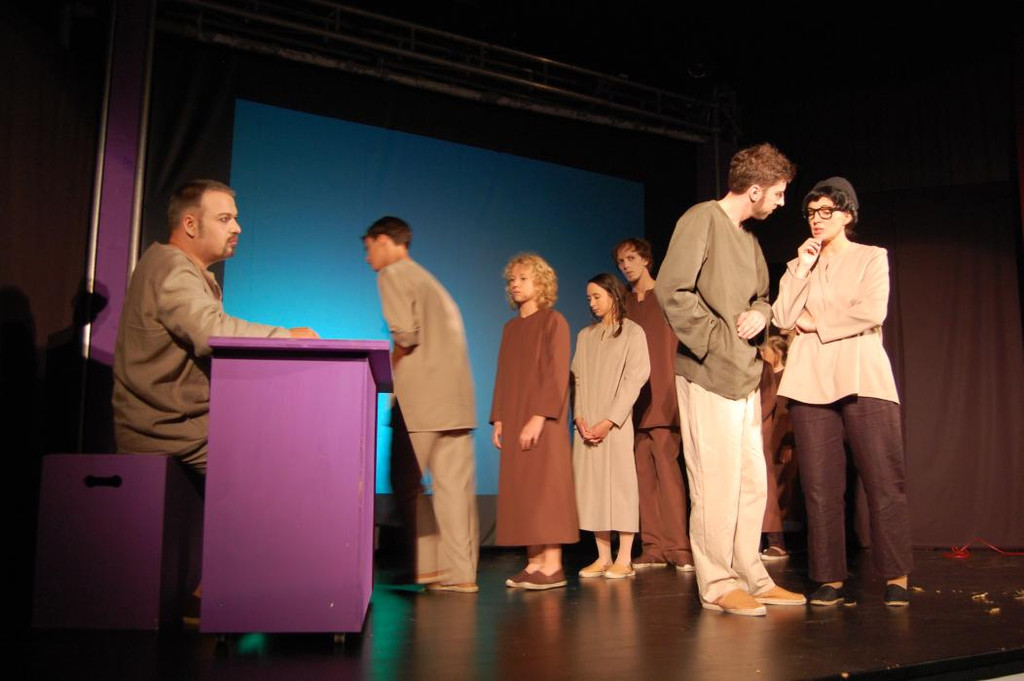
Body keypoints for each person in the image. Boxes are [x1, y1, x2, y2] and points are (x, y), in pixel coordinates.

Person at [653, 143, 806, 616]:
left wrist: (761, 314)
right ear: (755, 189)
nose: (781, 202)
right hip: (708, 372)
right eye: (778, 193)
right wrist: (716, 341)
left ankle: (751, 576)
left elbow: (761, 296)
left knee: (750, 481)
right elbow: (671, 290)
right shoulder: (702, 219)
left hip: (744, 375)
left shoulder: (749, 241)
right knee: (715, 482)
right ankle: (718, 582)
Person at [771, 177, 913, 607]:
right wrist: (800, 268)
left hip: (862, 375)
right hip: (809, 379)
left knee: (883, 479)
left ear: (847, 215)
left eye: (825, 212)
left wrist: (817, 324)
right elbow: (782, 317)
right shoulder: (800, 265)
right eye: (811, 213)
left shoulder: (871, 257)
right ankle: (828, 577)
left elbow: (872, 311)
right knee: (819, 486)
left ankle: (896, 574)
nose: (816, 220)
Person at [113, 179, 317, 474]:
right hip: (170, 435)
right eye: (224, 219)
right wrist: (287, 337)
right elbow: (211, 330)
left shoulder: (174, 265)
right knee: (285, 469)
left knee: (284, 441)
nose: (237, 228)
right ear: (190, 225)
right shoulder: (172, 266)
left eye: (235, 218)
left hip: (184, 429)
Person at [364, 216, 480, 593]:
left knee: (406, 483)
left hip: (421, 402)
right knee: (454, 491)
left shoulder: (393, 274)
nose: (368, 257)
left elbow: (405, 334)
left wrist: (390, 367)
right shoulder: (431, 281)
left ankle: (428, 566)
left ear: (384, 241)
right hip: (456, 402)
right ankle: (460, 574)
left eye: (368, 247)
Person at [491, 253, 578, 590]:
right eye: (512, 279)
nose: (515, 284)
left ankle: (553, 565)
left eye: (523, 278)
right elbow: (503, 375)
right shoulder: (510, 328)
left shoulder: (553, 321)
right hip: (515, 416)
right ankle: (534, 562)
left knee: (545, 488)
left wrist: (539, 417)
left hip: (544, 419)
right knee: (522, 489)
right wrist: (499, 418)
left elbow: (557, 374)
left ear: (541, 283)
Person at [614, 238, 695, 572]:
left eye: (631, 258)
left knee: (668, 473)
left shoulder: (666, 294)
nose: (626, 266)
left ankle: (679, 546)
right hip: (634, 401)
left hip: (663, 395)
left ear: (646, 259)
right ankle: (653, 546)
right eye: (621, 262)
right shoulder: (623, 303)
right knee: (642, 476)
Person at [572, 274, 650, 579]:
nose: (591, 303)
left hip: (615, 423)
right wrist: (580, 418)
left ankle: (624, 557)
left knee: (620, 486)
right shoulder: (585, 336)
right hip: (588, 425)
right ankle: (603, 556)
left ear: (614, 295)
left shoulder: (632, 333)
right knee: (592, 487)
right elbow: (578, 378)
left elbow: (635, 379)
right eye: (588, 298)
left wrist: (609, 421)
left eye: (597, 297)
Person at [758, 334, 794, 561]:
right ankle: (756, 542)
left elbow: (776, 406)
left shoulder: (770, 372)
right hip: (758, 435)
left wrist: (788, 443)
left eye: (766, 351)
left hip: (767, 435)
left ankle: (776, 541)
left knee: (771, 487)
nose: (763, 354)